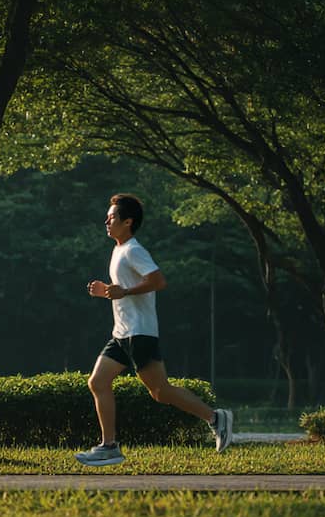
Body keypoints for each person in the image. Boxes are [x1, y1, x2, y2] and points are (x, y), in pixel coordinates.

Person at [75, 193, 232, 467]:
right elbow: (123, 292)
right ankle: (109, 446)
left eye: (111, 217)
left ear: (128, 222)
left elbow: (158, 281)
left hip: (140, 333)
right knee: (98, 382)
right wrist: (107, 292)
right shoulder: (118, 250)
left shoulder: (134, 250)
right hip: (122, 334)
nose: (106, 221)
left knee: (160, 391)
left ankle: (215, 418)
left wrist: (123, 291)